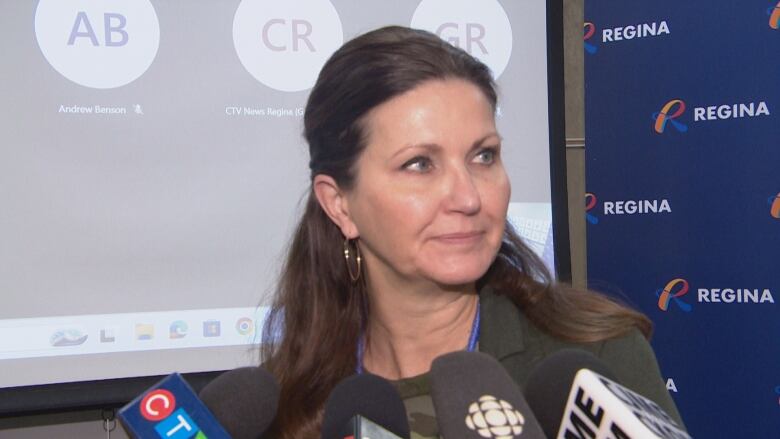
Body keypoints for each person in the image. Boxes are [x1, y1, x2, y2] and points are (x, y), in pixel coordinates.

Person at [261, 26, 683, 438]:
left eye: (483, 156)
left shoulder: (593, 363)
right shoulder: (287, 400)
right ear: (339, 204)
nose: (468, 197)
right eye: (419, 164)